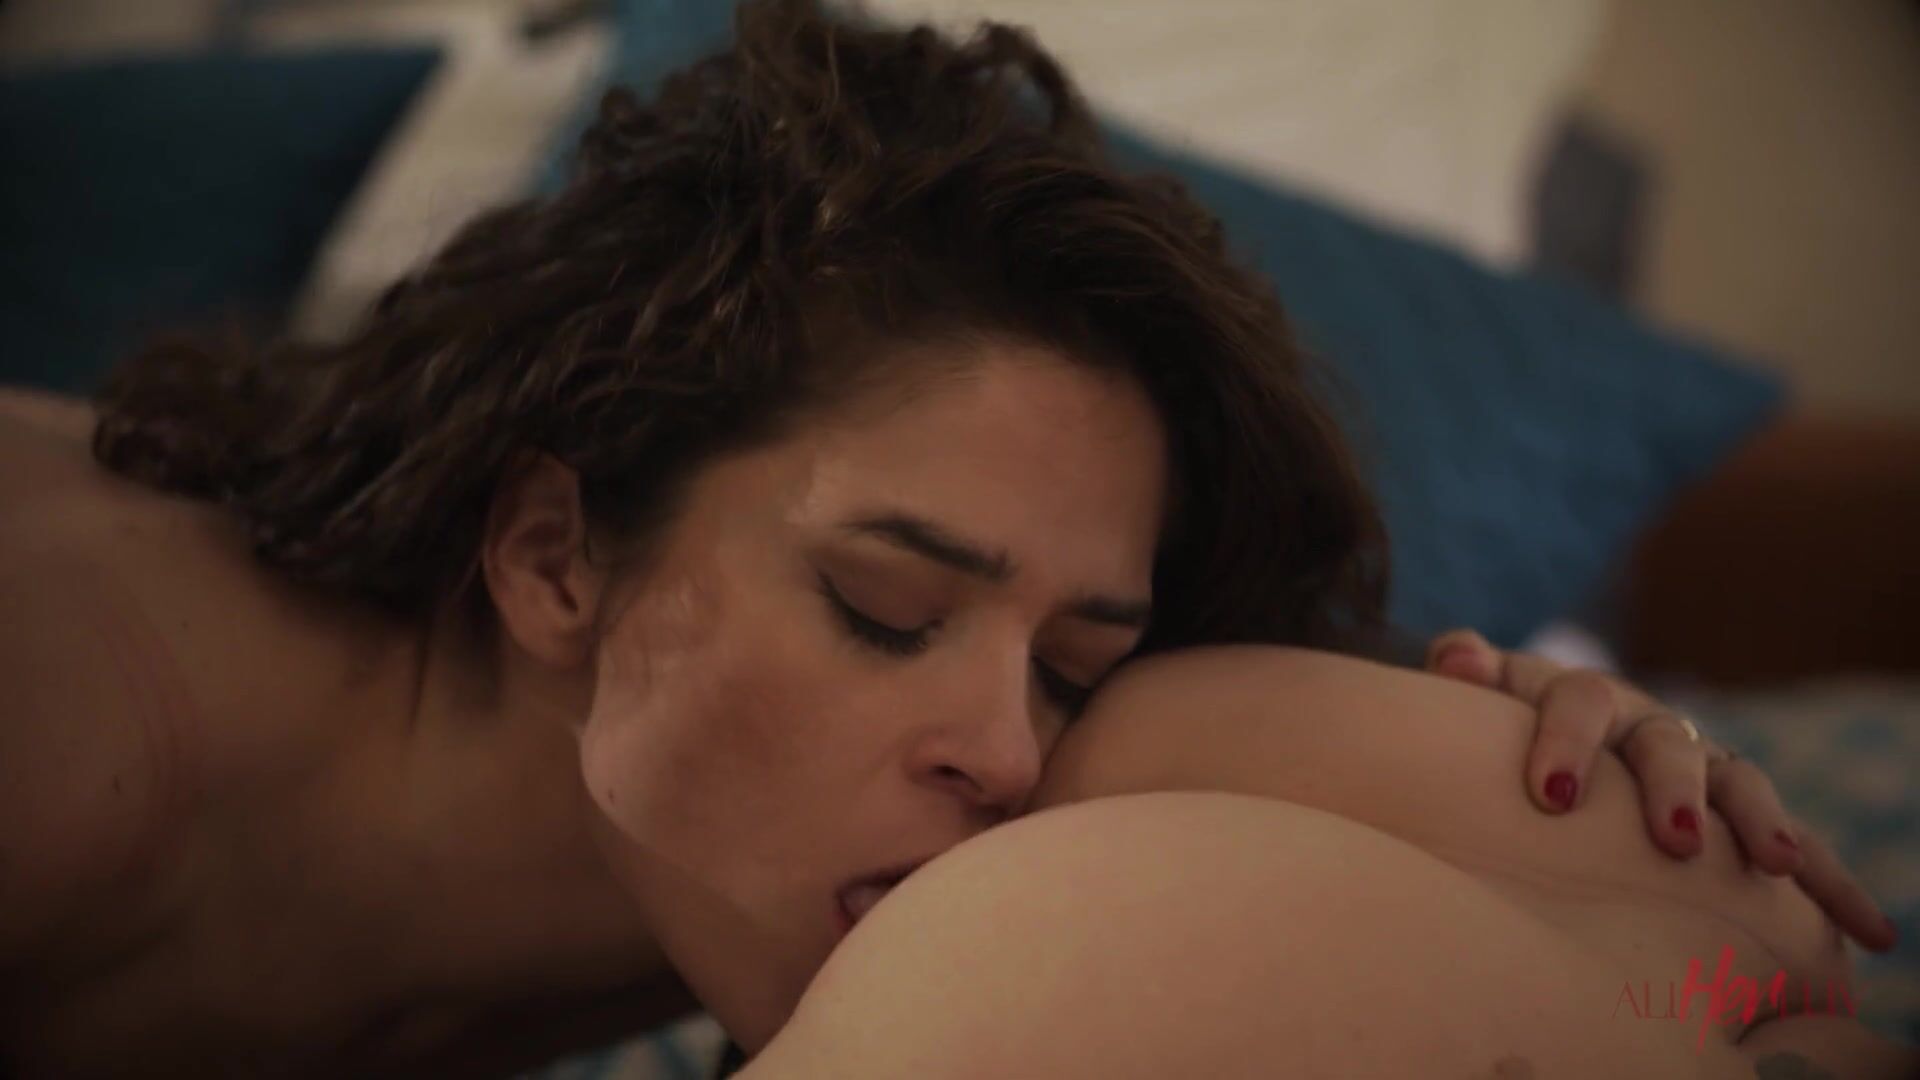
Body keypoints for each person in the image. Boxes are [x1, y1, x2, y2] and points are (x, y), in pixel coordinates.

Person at [0, 1, 1892, 1075]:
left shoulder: (867, 842)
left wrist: (1588, 751)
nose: (1005, 749)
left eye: (1073, 663)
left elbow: (1764, 985)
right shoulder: (68, 722)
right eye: (883, 608)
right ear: (556, 557)